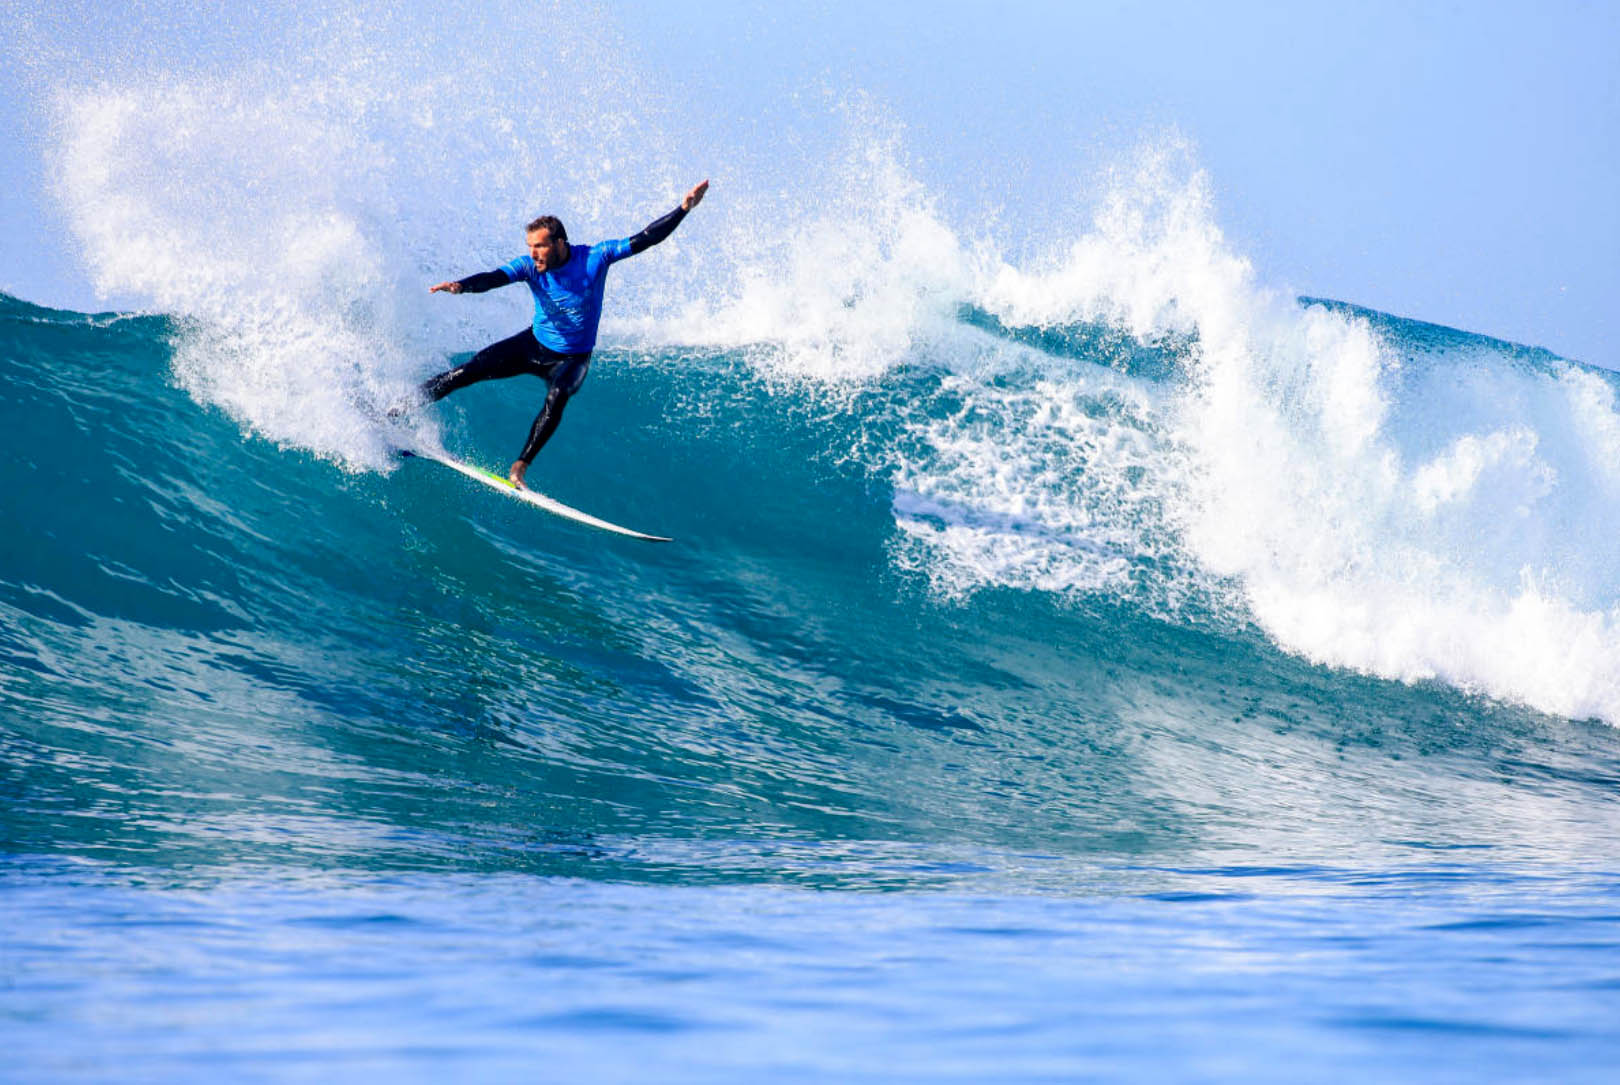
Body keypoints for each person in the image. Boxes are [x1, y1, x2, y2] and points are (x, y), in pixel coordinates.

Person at [423, 179, 709, 488]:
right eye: (530, 247)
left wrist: (683, 209)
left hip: (571, 358)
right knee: (468, 370)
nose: (533, 254)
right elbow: (494, 278)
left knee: (558, 396)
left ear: (561, 243)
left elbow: (646, 238)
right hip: (533, 344)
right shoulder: (529, 266)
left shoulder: (596, 257)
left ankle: (520, 466)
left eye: (540, 246)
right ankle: (396, 408)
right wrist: (461, 285)